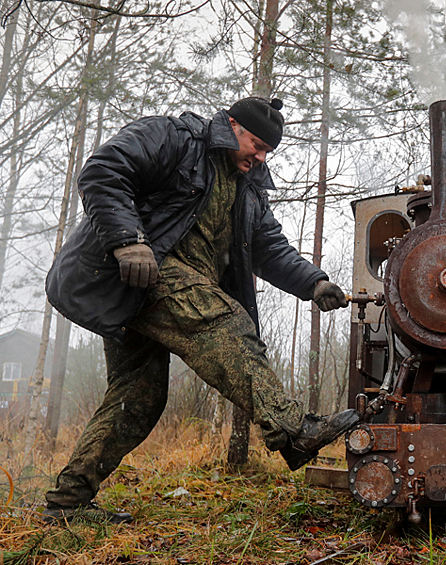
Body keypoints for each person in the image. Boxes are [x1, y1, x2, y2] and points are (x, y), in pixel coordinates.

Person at [41, 97, 359, 524]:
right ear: (231, 126)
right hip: (138, 271)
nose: (261, 158)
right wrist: (128, 239)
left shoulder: (248, 190)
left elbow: (269, 248)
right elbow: (104, 171)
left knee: (138, 399)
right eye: (256, 145)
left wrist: (314, 282)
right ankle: (293, 431)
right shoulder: (174, 138)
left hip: (160, 290)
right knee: (225, 323)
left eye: (268, 151)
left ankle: (68, 503)